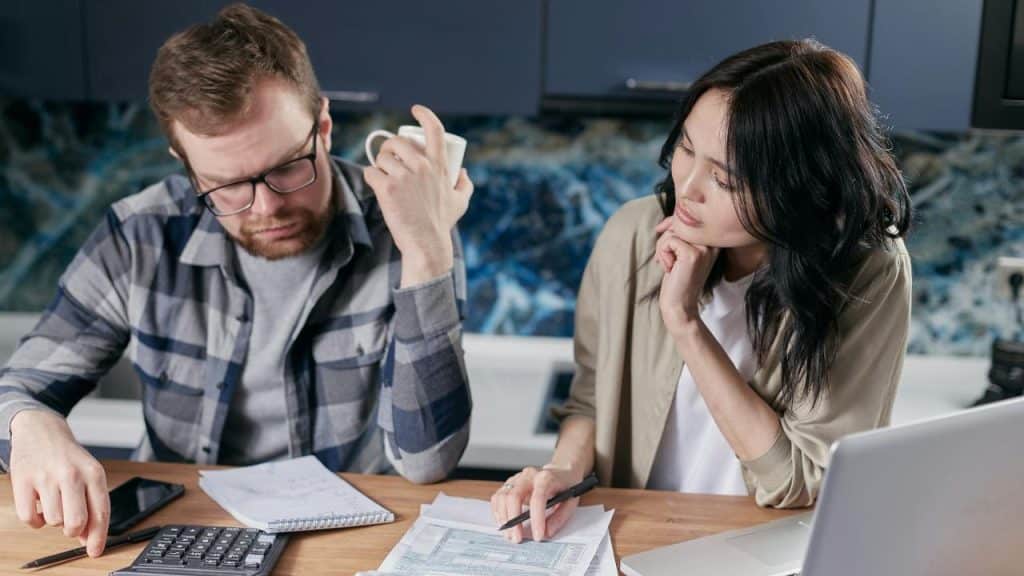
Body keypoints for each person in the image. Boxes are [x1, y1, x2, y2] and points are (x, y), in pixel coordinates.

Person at [0, 3, 473, 557]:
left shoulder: (411, 223)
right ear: (185, 162)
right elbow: (18, 388)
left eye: (288, 167)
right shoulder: (140, 234)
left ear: (322, 125)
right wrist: (33, 424)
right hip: (178, 534)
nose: (267, 206)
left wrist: (425, 253)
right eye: (226, 186)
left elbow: (428, 461)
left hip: (344, 541)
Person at [491, 39, 913, 543]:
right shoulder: (633, 234)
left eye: (725, 179)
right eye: (686, 149)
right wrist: (561, 473)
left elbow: (798, 481)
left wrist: (684, 321)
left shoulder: (866, 273)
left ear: (797, 187)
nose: (687, 188)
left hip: (765, 551)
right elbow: (591, 401)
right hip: (636, 541)